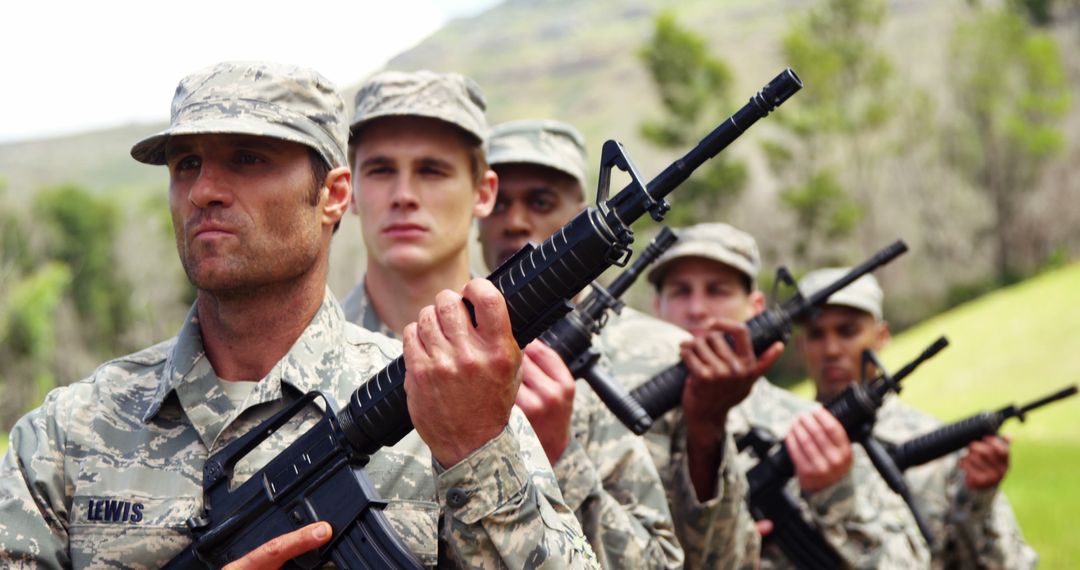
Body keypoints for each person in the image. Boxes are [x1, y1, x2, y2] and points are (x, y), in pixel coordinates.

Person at [0, 61, 597, 569]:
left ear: (335, 195)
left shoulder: (445, 402)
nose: (205, 189)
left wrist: (477, 454)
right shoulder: (65, 434)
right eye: (186, 164)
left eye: (247, 159)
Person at [344, 85, 680, 568]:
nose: (404, 196)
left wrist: (556, 455)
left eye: (432, 170)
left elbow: (658, 561)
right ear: (349, 191)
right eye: (379, 170)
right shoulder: (301, 361)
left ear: (483, 193)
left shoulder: (543, 368)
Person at [479, 119, 752, 569]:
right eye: (499, 205)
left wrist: (706, 434)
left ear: (582, 210)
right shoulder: (448, 355)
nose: (516, 221)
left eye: (541, 201)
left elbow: (727, 558)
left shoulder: (673, 353)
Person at [620, 222, 931, 568]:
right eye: (680, 291)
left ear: (755, 307)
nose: (697, 309)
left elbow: (908, 561)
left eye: (717, 290)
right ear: (657, 308)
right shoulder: (615, 423)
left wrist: (837, 494)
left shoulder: (808, 427)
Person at [797, 268, 1038, 569]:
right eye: (817, 335)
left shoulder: (942, 447)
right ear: (800, 345)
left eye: (847, 331)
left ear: (881, 336)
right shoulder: (776, 442)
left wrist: (979, 501)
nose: (831, 350)